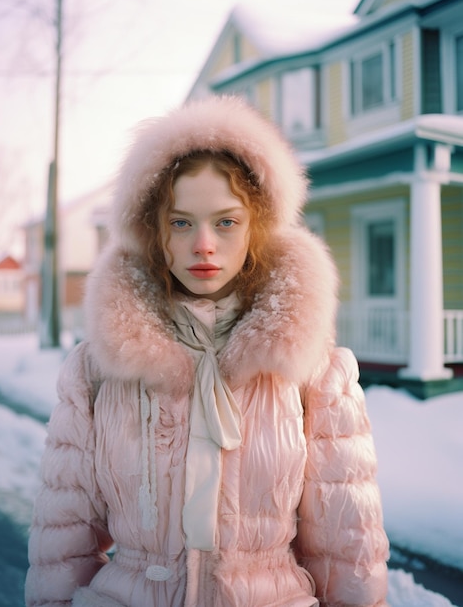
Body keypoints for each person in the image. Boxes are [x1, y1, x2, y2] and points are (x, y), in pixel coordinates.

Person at [25, 95, 389, 607]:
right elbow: (59, 549)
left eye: (225, 222)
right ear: (153, 230)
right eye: (180, 222)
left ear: (255, 228)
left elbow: (348, 553)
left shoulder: (314, 370)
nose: (203, 245)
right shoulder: (96, 371)